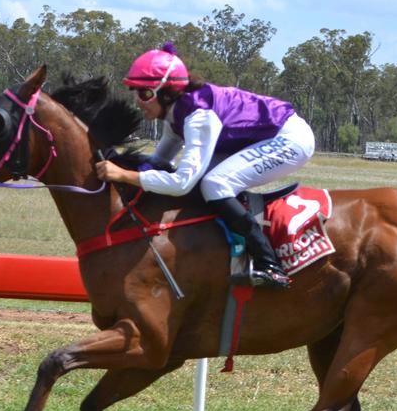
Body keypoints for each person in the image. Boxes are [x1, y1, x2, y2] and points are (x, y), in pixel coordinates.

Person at [95, 43, 316, 289]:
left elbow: (181, 183)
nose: (137, 101)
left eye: (144, 94)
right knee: (206, 181)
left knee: (215, 183)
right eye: (134, 91)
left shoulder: (198, 116)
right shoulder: (176, 113)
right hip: (265, 136)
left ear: (166, 92)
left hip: (289, 139)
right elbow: (159, 162)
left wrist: (124, 175)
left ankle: (270, 265)